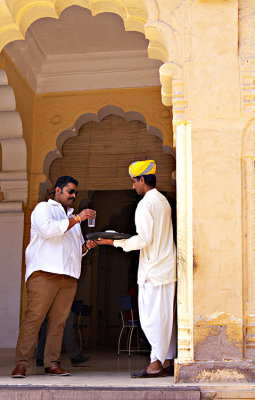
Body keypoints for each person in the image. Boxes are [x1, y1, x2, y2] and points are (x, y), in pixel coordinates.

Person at [96, 160, 176, 378]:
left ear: (142, 180)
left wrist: (113, 242)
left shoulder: (146, 204)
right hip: (165, 269)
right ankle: (167, 360)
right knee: (165, 318)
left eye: (134, 182)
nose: (133, 187)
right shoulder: (163, 201)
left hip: (154, 271)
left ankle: (156, 364)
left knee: (153, 319)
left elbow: (144, 240)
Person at [11, 176, 97, 378]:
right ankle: (22, 364)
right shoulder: (44, 208)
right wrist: (77, 219)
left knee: (59, 321)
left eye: (75, 192)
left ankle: (51, 363)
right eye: (70, 191)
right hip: (44, 273)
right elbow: (49, 230)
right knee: (34, 319)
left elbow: (75, 249)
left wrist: (86, 247)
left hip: (68, 277)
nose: (74, 196)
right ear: (57, 190)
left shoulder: (73, 218)